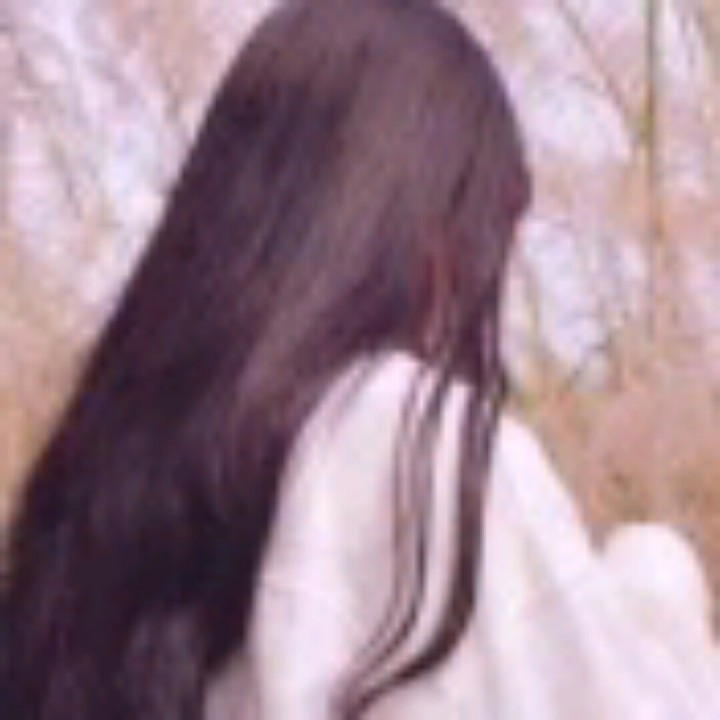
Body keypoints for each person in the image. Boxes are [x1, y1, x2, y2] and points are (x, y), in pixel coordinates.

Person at [1, 0, 717, 719]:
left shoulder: (104, 491)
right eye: (491, 236)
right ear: (436, 235)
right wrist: (660, 596)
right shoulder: (410, 440)